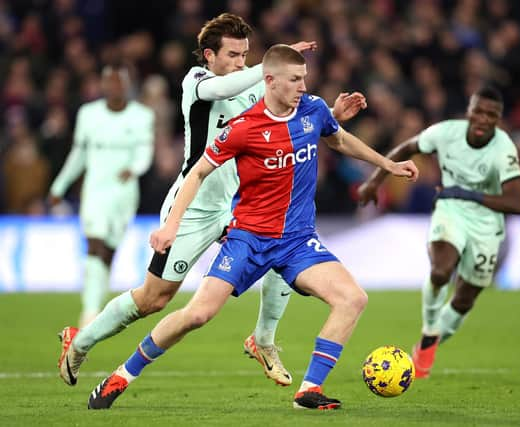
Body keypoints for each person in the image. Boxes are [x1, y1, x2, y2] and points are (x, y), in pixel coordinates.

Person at [85, 44, 417, 410]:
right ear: (270, 81)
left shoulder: (314, 110)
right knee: (197, 315)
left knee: (353, 298)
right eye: (295, 80)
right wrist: (171, 226)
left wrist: (387, 164)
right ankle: (121, 375)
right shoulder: (243, 128)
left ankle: (308, 390)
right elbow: (197, 172)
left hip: (297, 240)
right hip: (249, 240)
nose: (303, 86)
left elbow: (337, 138)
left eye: (304, 78)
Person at [57, 13, 366, 389]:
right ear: (209, 56)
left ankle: (264, 340)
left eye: (247, 54)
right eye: (234, 55)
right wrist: (267, 66)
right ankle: (82, 339)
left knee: (281, 246)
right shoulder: (197, 82)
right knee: (153, 299)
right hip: (193, 208)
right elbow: (225, 90)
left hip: (235, 206)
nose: (242, 62)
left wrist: (330, 116)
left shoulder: (255, 86)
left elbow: (290, 124)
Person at [359, 86, 520, 379]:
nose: (483, 119)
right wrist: (375, 181)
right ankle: (429, 329)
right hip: (450, 211)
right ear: (469, 111)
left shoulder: (503, 149)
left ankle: (431, 340)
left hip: (486, 224)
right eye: (478, 111)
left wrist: (468, 194)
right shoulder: (446, 132)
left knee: (464, 299)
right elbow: (406, 148)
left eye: (491, 115)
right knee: (440, 271)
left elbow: (517, 202)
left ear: (499, 120)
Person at [49, 65, 154, 328]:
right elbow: (79, 154)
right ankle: (90, 311)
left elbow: (145, 152)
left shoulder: (141, 116)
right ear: (103, 86)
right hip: (95, 190)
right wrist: (59, 186)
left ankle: (97, 305)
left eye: (119, 83)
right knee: (94, 245)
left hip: (123, 192)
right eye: (110, 82)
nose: (114, 88)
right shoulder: (88, 114)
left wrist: (135, 168)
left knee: (107, 250)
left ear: (127, 86)